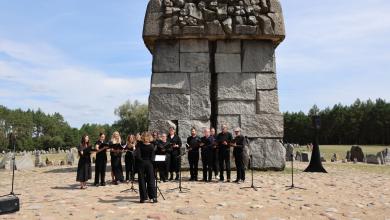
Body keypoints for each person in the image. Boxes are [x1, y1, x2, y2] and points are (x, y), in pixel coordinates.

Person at [135, 132, 157, 203]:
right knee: (151, 180)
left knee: (141, 181)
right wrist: (150, 162)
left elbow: (138, 156)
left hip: (141, 164)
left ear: (142, 137)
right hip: (149, 164)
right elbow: (153, 157)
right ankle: (153, 197)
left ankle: (143, 198)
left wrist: (142, 161)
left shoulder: (139, 145)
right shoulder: (151, 146)